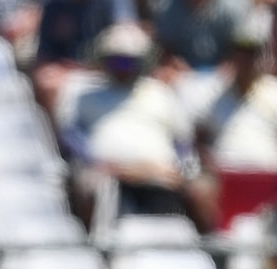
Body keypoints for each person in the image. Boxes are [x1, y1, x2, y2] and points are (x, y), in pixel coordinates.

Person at [57, 21, 195, 224]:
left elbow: (182, 142)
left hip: (157, 175)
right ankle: (96, 251)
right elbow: (71, 136)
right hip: (105, 174)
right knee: (89, 187)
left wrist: (175, 168)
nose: (122, 68)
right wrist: (101, 163)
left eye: (128, 62)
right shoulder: (85, 95)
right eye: (116, 61)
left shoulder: (160, 93)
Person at [187, 18, 277, 231]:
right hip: (224, 177)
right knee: (198, 191)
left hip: (271, 179)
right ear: (232, 54)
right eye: (242, 51)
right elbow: (199, 142)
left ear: (263, 56)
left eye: (253, 52)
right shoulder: (210, 94)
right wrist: (212, 166)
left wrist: (276, 171)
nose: (247, 59)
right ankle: (216, 255)